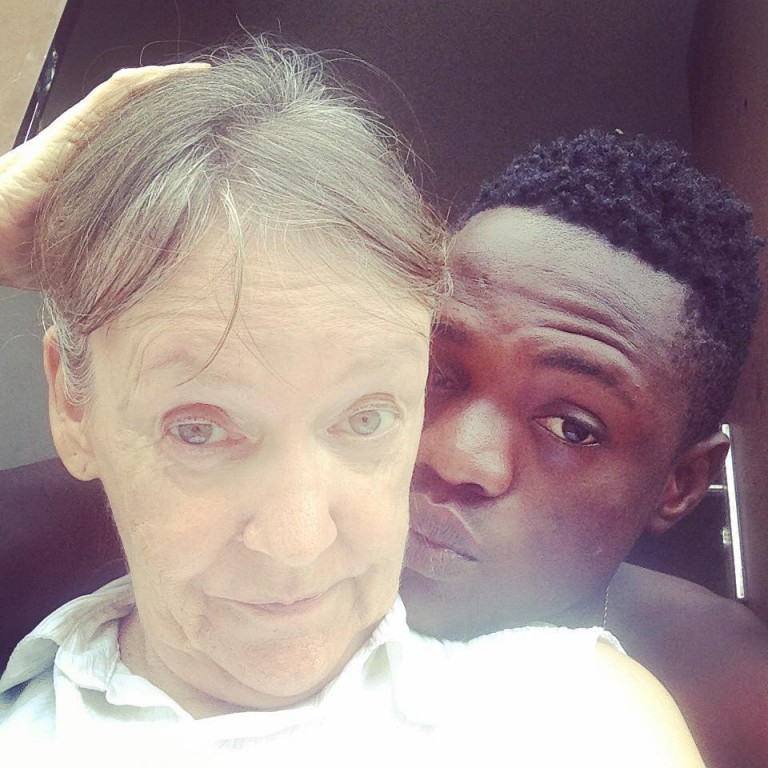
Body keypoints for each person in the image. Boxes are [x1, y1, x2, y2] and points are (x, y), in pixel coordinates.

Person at [0, 44, 703, 764]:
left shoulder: (568, 715)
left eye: (366, 419)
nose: (298, 541)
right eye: (198, 430)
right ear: (72, 406)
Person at [399, 129, 768, 768]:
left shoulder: (728, 700)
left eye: (572, 428)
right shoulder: (245, 596)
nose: (454, 457)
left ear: (680, 483)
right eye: (436, 374)